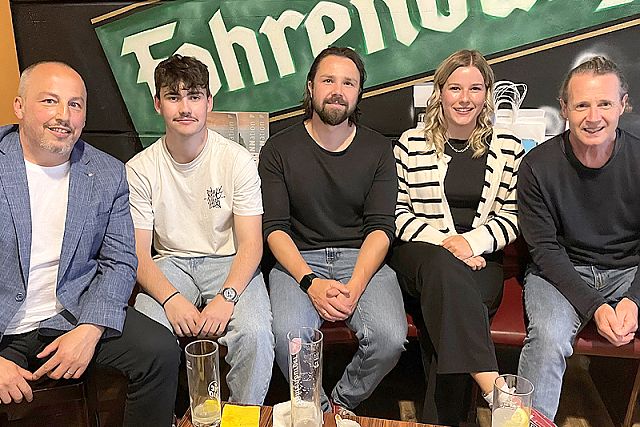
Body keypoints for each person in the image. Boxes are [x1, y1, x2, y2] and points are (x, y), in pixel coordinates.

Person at [0, 61, 180, 426]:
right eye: (49, 101)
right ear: (19, 106)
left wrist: (91, 328)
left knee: (160, 352)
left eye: (75, 104)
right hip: (6, 329)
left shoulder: (108, 172)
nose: (63, 116)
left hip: (72, 313)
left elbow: (120, 260)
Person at [259, 46, 407, 415]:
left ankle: (340, 405)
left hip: (361, 258)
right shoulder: (278, 149)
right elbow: (275, 229)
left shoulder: (378, 148)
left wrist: (355, 285)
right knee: (289, 340)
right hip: (298, 261)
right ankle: (320, 411)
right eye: (328, 80)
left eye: (348, 83)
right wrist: (310, 282)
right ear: (311, 87)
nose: (337, 91)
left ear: (359, 93)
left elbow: (381, 228)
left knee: (389, 338)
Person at [126, 54, 274, 405]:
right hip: (171, 263)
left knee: (255, 334)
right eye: (173, 97)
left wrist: (227, 298)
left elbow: (251, 244)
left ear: (209, 102)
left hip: (229, 261)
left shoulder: (237, 160)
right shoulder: (140, 169)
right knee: (147, 336)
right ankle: (167, 415)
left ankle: (241, 418)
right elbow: (139, 254)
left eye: (194, 96)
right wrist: (171, 300)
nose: (185, 108)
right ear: (158, 104)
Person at [389, 49, 524, 425]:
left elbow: (514, 216)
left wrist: (472, 243)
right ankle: (495, 388)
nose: (465, 98)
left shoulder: (509, 148)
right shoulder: (411, 144)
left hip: (482, 261)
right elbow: (397, 214)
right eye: (455, 88)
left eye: (475, 88)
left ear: (487, 94)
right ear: (440, 92)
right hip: (420, 256)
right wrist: (449, 246)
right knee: (445, 277)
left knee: (449, 313)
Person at [518, 56, 639, 420]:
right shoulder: (537, 166)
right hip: (560, 272)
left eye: (605, 104)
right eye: (582, 105)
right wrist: (596, 306)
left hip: (629, 271)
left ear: (623, 104)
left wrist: (634, 300)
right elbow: (544, 250)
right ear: (564, 108)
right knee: (548, 337)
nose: (593, 116)